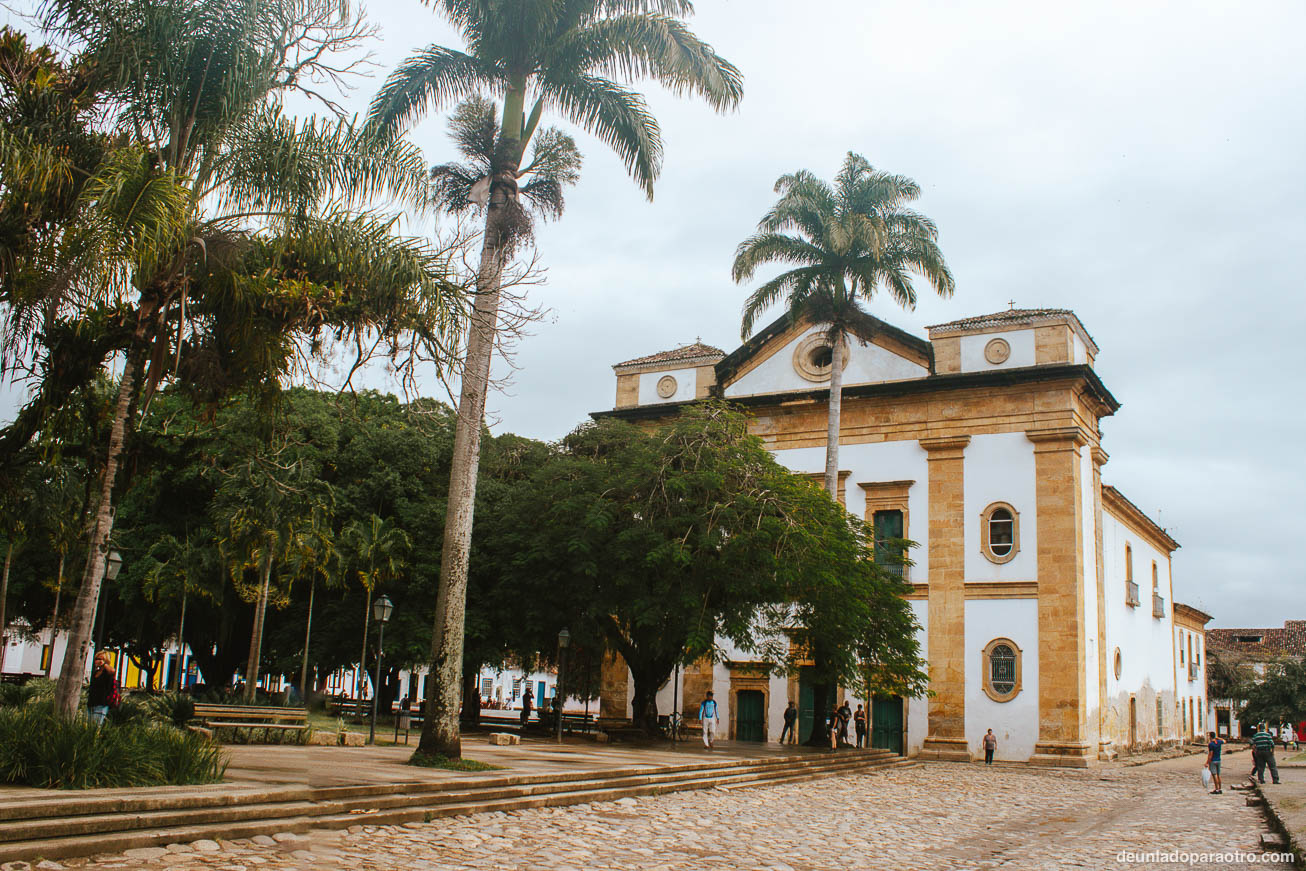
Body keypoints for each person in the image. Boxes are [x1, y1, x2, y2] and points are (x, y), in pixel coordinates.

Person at [87, 652, 118, 725]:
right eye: (96, 659)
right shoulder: (96, 673)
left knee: (95, 727)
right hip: (91, 703)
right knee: (89, 727)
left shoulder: (107, 673)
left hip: (101, 704)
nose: (97, 661)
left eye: (100, 659)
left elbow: (112, 671)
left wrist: (104, 664)